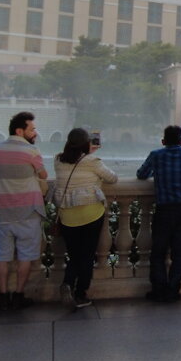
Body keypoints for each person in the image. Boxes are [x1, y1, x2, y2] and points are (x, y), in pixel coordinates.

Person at [0, 111, 49, 312]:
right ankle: (19, 295)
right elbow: (43, 174)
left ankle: (3, 296)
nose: (35, 132)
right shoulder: (31, 151)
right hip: (28, 211)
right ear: (19, 130)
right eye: (32, 129)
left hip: (2, 212)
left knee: (1, 256)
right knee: (26, 255)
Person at [52, 128, 117, 310]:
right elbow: (112, 178)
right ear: (86, 143)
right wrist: (91, 155)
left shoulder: (58, 160)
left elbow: (73, 162)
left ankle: (67, 283)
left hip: (67, 215)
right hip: (91, 213)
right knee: (87, 255)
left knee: (74, 255)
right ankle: (80, 293)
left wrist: (87, 153)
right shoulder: (93, 162)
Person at [137, 125, 181, 303]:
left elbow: (142, 174)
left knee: (158, 252)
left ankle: (158, 289)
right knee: (180, 253)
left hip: (164, 210)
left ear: (163, 141)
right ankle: (173, 290)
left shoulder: (156, 155)